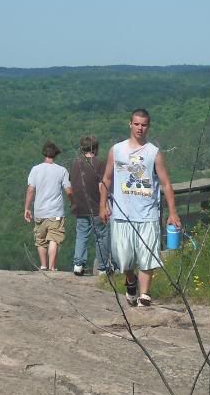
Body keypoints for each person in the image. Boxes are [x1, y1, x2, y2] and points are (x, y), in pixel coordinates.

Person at [100, 108, 181, 307]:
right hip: (121, 214)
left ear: (148, 126)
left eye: (143, 125)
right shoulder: (117, 150)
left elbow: (166, 184)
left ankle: (144, 295)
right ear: (130, 124)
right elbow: (107, 179)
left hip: (147, 213)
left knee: (147, 256)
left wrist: (173, 213)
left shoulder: (153, 153)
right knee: (124, 259)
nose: (140, 128)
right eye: (136, 124)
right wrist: (102, 205)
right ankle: (131, 281)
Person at [24, 140, 72, 271]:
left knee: (40, 240)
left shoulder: (35, 169)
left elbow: (30, 190)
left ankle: (43, 265)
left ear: (44, 154)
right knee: (54, 239)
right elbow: (68, 191)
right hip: (56, 212)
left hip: (39, 211)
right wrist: (73, 202)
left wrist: (27, 208)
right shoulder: (62, 171)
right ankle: (52, 267)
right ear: (56, 155)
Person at [69, 134, 111, 276]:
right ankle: (103, 267)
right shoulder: (99, 164)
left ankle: (78, 264)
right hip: (95, 206)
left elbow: (72, 184)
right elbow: (101, 186)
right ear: (96, 148)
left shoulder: (75, 163)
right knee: (101, 235)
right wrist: (104, 205)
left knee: (81, 235)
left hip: (80, 206)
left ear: (82, 148)